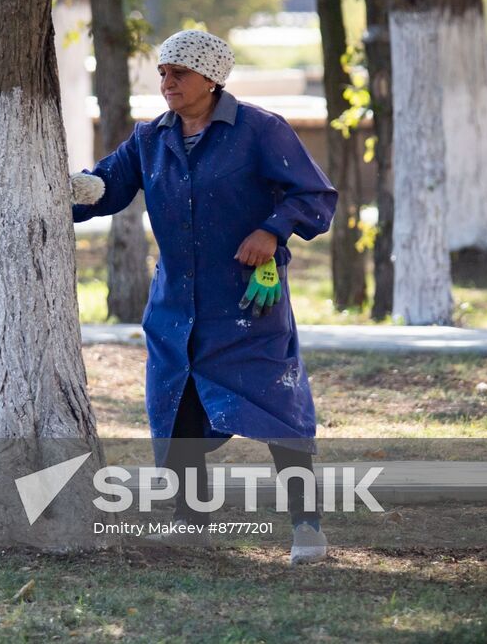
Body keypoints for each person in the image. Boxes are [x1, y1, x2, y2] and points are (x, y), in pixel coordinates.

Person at [70, 28, 337, 565]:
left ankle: (307, 527)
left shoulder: (260, 130)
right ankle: (190, 525)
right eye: (163, 72)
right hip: (175, 310)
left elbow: (315, 195)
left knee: (280, 411)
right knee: (177, 416)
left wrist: (272, 229)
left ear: (211, 79)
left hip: (247, 307)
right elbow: (107, 187)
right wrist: (62, 187)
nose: (167, 82)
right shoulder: (150, 139)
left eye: (179, 73)